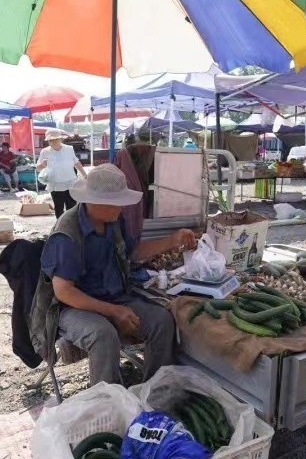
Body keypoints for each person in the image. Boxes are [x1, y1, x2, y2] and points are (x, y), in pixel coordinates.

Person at [40, 164, 195, 386]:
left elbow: (132, 252)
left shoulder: (112, 220)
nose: (122, 209)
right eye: (116, 203)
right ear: (94, 201)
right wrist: (112, 311)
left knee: (162, 321)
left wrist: (172, 240)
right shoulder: (68, 232)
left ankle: (153, 390)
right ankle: (107, 403)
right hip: (73, 307)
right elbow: (64, 291)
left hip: (115, 296)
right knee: (103, 335)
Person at [37, 131, 86, 217]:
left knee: (71, 207)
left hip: (70, 183)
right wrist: (42, 165)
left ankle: (72, 226)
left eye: (56, 139)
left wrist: (85, 175)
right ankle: (60, 226)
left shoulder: (69, 149)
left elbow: (77, 163)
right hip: (55, 185)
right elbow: (37, 168)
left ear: (60, 139)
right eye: (51, 140)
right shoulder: (44, 151)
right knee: (59, 208)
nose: (54, 142)